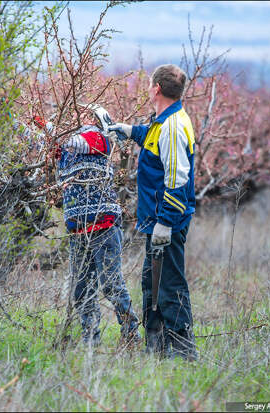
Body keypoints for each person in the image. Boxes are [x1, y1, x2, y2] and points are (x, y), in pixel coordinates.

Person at [108, 64, 198, 360]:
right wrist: (129, 131)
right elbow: (152, 138)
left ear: (156, 88)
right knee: (152, 284)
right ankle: (156, 351)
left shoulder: (172, 127)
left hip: (166, 221)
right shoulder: (166, 120)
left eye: (149, 85)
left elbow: (177, 179)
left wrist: (165, 224)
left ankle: (183, 356)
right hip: (156, 219)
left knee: (169, 286)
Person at [43, 113, 142, 348]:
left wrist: (49, 127)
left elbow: (69, 140)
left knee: (110, 284)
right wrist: (16, 119)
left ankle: (131, 334)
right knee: (81, 289)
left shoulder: (99, 139)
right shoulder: (66, 151)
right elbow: (44, 142)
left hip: (104, 225)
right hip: (78, 229)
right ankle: (90, 341)